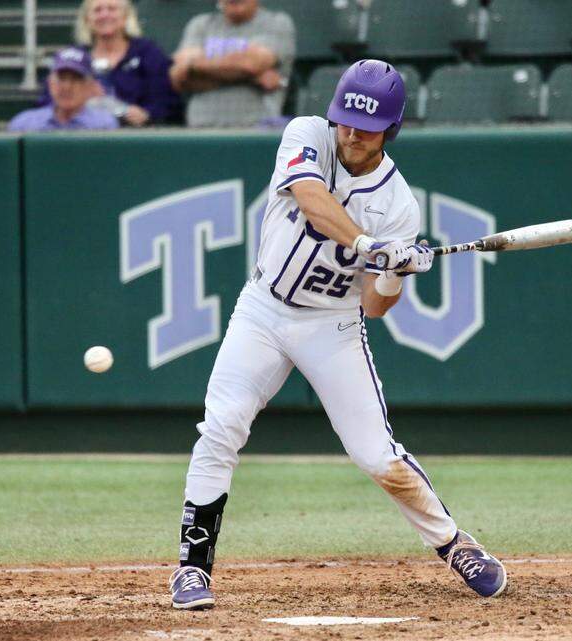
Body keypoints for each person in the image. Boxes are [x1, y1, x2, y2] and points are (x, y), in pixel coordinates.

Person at [167, 59, 507, 610]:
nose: (352, 133)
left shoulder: (398, 204)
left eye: (367, 126)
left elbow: (374, 305)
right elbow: (310, 197)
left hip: (332, 326)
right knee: (221, 427)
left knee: (377, 457)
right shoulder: (307, 134)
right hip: (262, 310)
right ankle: (191, 569)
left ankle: (455, 544)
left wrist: (395, 270)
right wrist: (369, 245)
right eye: (347, 119)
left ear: (390, 129)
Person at [38, 0, 179, 126]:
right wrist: (79, 100)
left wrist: (147, 114)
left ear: (125, 17)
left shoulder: (147, 52)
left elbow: (165, 101)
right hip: (82, 131)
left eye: (112, 9)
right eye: (97, 10)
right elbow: (48, 101)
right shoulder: (73, 57)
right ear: (87, 20)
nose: (104, 15)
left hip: (135, 134)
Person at [169, 0, 295, 127]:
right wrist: (250, 77)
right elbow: (180, 77)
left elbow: (250, 64)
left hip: (256, 128)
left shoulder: (276, 22)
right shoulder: (200, 24)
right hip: (199, 130)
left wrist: (194, 64)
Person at [8, 47, 118, 132]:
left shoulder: (103, 125)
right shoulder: (24, 124)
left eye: (76, 79)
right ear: (50, 83)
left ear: (89, 86)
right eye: (61, 78)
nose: (67, 87)